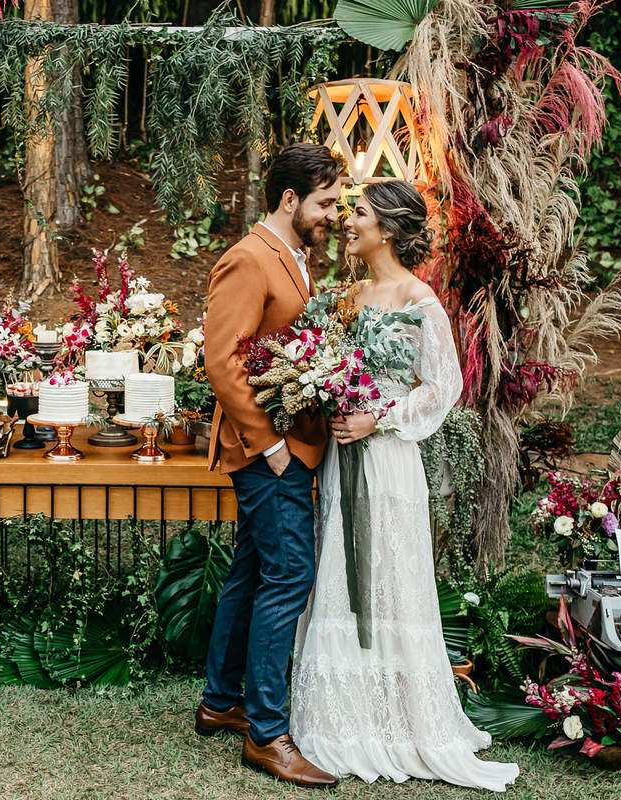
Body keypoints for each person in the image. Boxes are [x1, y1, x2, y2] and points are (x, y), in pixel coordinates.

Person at [289, 180, 519, 792]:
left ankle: (399, 720)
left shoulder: (421, 301)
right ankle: (340, 719)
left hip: (389, 460)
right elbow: (325, 361)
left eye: (358, 214)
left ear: (386, 229)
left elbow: (442, 388)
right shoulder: (348, 294)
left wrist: (379, 416)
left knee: (389, 574)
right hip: (344, 457)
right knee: (339, 569)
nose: (348, 223)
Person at [197, 142, 339, 788]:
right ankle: (267, 733)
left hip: (289, 446)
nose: (335, 214)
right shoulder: (249, 259)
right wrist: (274, 449)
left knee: (252, 573)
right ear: (290, 199)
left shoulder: (296, 257)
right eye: (326, 202)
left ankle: (221, 700)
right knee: (289, 577)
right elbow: (222, 362)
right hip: (266, 452)